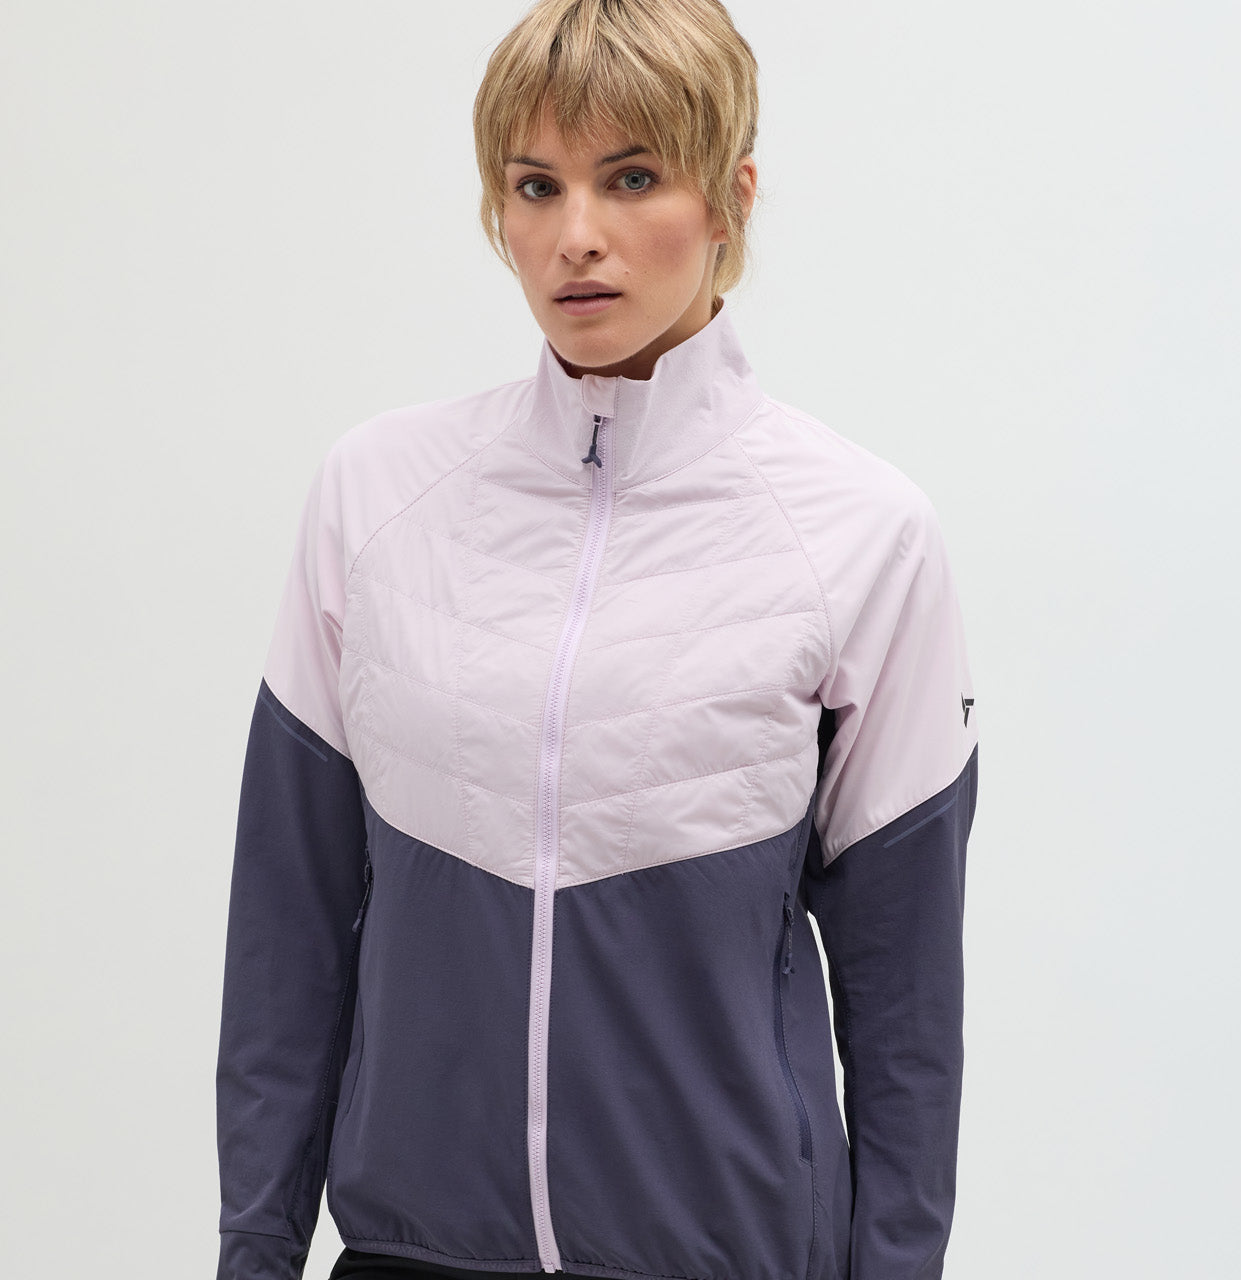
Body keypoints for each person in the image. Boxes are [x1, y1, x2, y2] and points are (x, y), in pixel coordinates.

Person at [213, 1, 980, 1278]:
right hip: (415, 1254)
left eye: (631, 178)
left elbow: (905, 1010)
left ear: (729, 199)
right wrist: (255, 1248)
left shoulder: (860, 534)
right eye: (535, 185)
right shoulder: (375, 497)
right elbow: (288, 928)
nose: (576, 235)